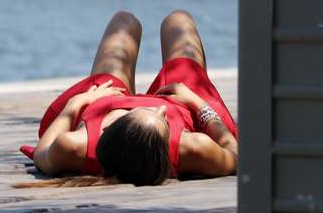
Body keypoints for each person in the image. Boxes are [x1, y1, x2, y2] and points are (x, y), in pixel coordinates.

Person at [19, 10, 238, 186]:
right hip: (181, 103)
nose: (159, 110)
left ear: (111, 129)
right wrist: (199, 104)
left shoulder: (75, 145)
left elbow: (42, 155)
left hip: (103, 101)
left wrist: (74, 105)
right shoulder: (193, 147)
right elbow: (234, 154)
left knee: (124, 21)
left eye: (143, 112)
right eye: (164, 122)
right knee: (178, 21)